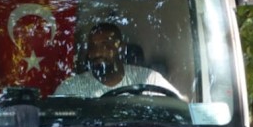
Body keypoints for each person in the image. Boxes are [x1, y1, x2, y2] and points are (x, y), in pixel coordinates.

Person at [52, 22, 180, 97]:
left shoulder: (150, 79)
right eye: (93, 47)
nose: (98, 52)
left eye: (106, 45)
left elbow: (180, 107)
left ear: (121, 48)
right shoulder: (70, 89)